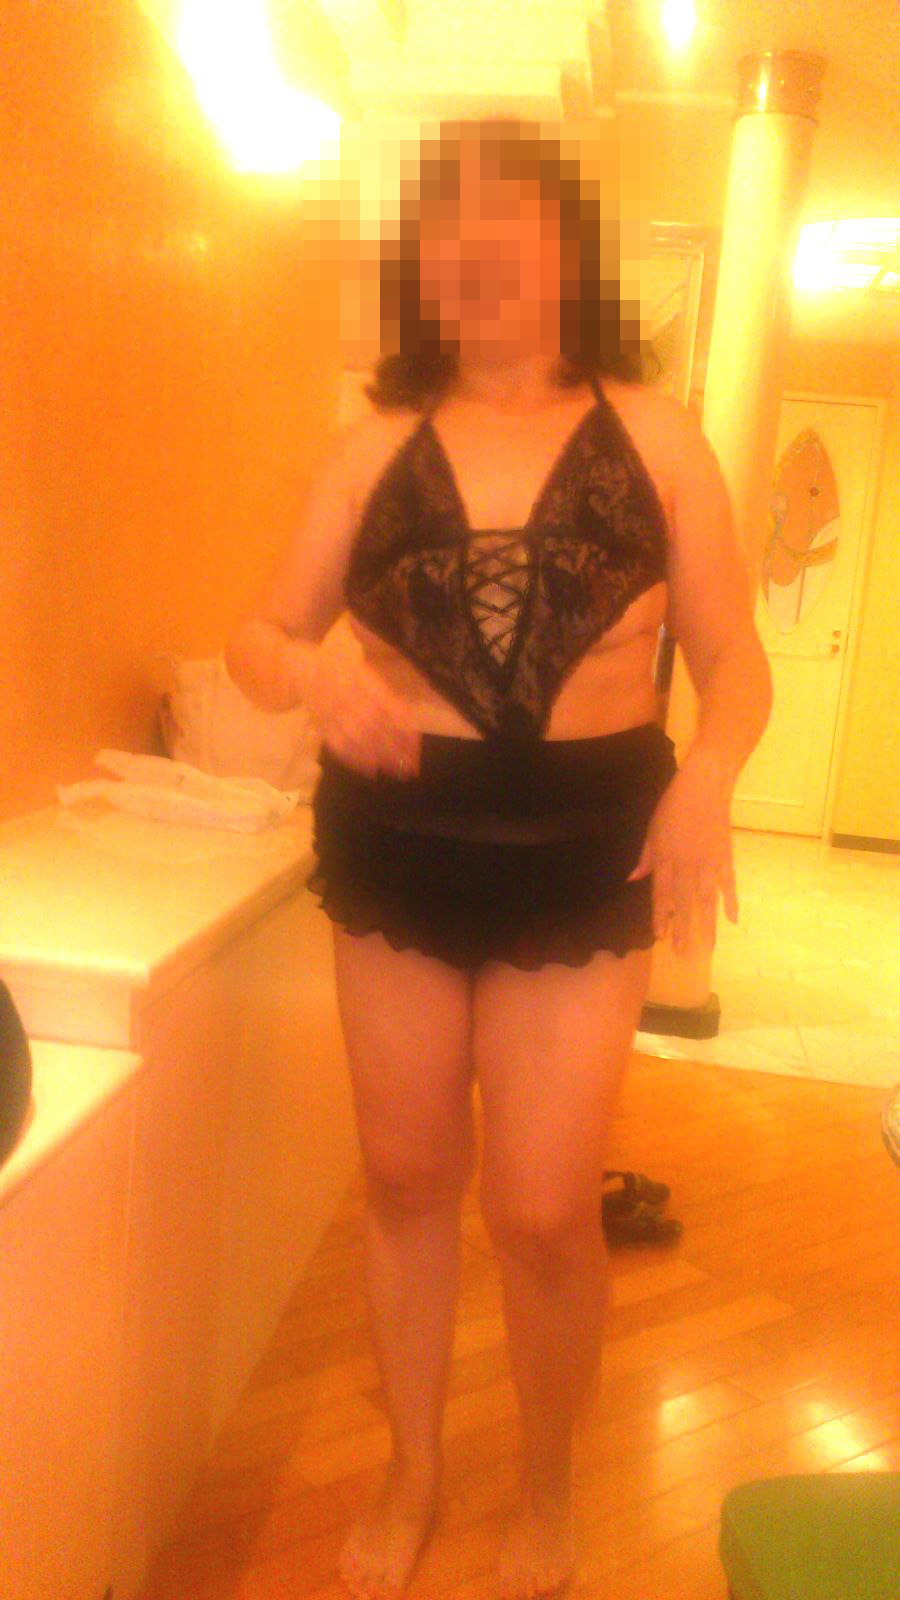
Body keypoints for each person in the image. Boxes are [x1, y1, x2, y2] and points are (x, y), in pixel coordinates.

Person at [225, 117, 773, 1600]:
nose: (481, 257)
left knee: (539, 1207)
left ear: (568, 249)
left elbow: (735, 662)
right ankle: (413, 1470)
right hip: (393, 851)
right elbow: (258, 636)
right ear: (424, 267)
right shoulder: (369, 447)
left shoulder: (659, 439)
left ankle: (546, 1486)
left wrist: (708, 778)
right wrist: (312, 674)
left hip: (588, 858)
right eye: (450, 231)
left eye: (512, 225)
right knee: (407, 1179)